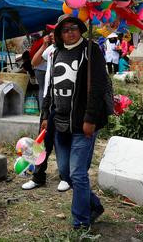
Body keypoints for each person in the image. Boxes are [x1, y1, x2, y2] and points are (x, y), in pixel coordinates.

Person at [41, 15, 110, 230]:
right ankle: (95, 206)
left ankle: (81, 222)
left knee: (78, 174)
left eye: (74, 28)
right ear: (59, 34)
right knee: (67, 173)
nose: (70, 32)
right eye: (65, 30)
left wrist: (90, 119)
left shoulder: (91, 50)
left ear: (80, 29)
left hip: (83, 124)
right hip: (60, 122)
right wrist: (45, 114)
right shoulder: (57, 52)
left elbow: (97, 87)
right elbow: (50, 86)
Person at [23, 26, 70, 193]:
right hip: (48, 101)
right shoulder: (50, 49)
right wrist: (43, 45)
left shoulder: (72, 51)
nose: (52, 35)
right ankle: (37, 177)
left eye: (55, 32)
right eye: (52, 32)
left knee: (62, 142)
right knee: (41, 141)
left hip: (64, 103)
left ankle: (65, 177)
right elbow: (34, 62)